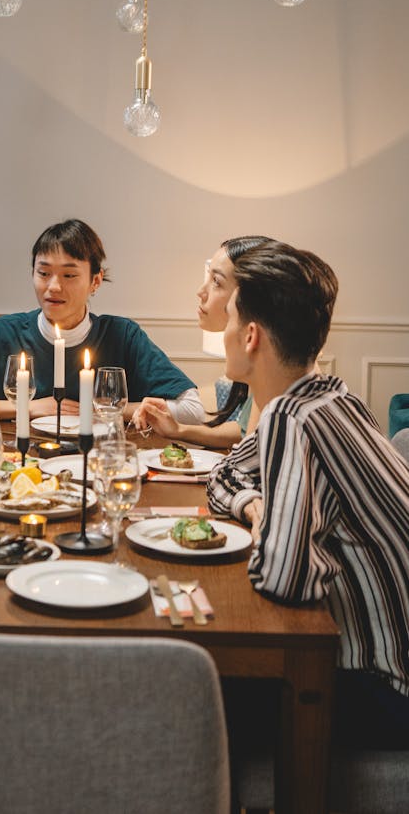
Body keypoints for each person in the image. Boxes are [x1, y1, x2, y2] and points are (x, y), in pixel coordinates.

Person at [206, 241, 409, 745]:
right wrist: (255, 505)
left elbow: (286, 580)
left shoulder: (288, 420)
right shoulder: (332, 396)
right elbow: (224, 478)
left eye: (230, 317)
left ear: (251, 336)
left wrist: (273, 528)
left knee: (194, 694)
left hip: (385, 686)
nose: (225, 331)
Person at [0, 219, 204, 422]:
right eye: (43, 273)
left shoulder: (122, 336)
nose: (53, 286)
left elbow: (192, 409)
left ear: (96, 281)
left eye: (69, 275)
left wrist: (98, 411)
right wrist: (27, 407)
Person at [131, 235, 272, 449]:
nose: (200, 291)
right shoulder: (266, 374)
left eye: (216, 281)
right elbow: (242, 432)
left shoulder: (277, 385)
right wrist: (178, 430)